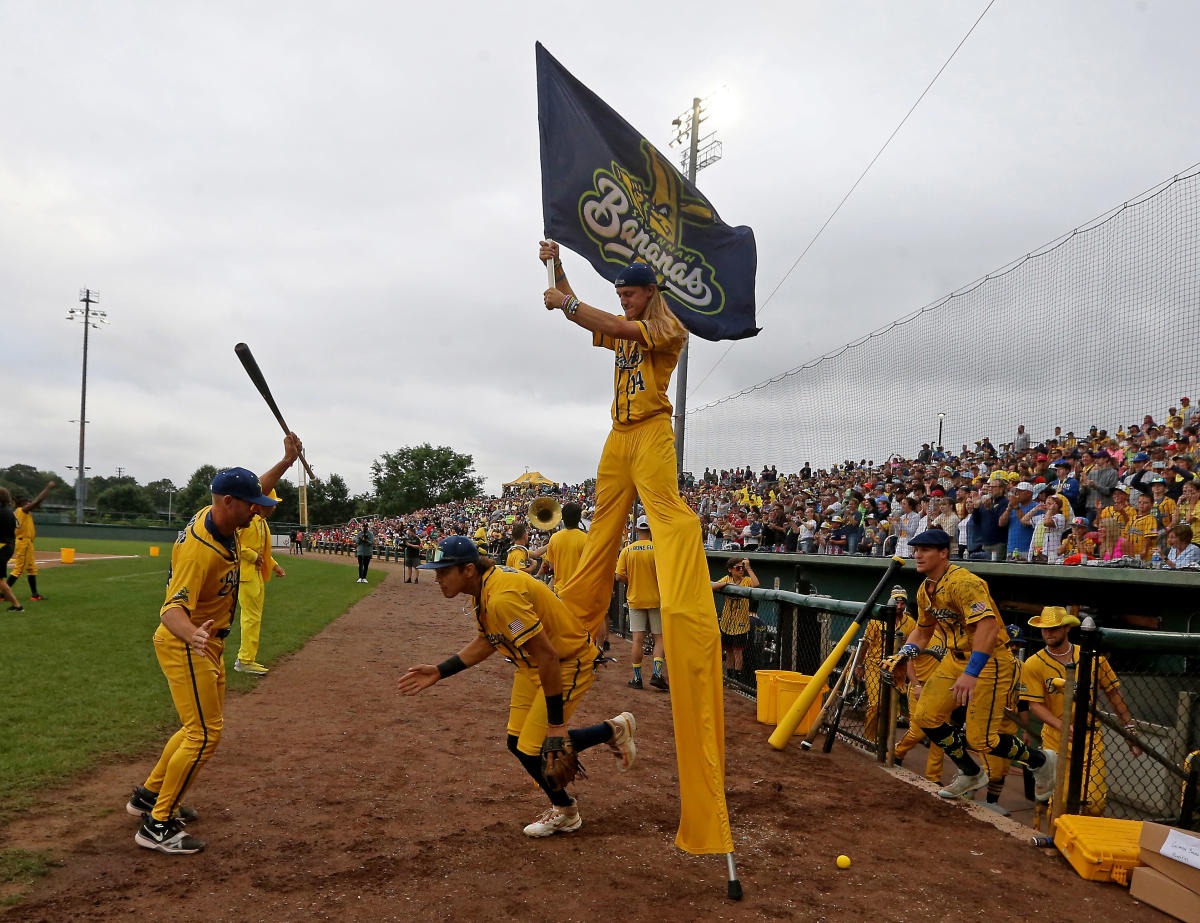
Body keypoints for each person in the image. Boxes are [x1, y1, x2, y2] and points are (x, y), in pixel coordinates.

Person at [538, 241, 732, 854]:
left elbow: (612, 323)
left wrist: (568, 304)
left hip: (649, 431)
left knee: (669, 514)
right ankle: (579, 617)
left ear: (650, 291)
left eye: (630, 290)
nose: (623, 297)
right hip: (617, 434)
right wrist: (555, 265)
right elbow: (603, 322)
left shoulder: (666, 321)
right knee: (601, 527)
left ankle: (683, 584)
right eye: (620, 290)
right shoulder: (626, 319)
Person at [128, 434, 301, 854]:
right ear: (228, 502)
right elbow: (171, 611)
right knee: (205, 735)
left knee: (196, 728)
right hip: (186, 642)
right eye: (250, 504)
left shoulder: (223, 515)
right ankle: (157, 823)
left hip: (207, 642)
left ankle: (149, 796)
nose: (257, 510)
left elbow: (253, 487)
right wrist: (195, 636)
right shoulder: (199, 551)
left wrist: (285, 460)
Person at [397, 536, 636, 838]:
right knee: (518, 744)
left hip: (566, 662)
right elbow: (488, 641)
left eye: (444, 572)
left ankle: (567, 810)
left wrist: (557, 725)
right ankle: (612, 732)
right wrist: (440, 671)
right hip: (532, 666)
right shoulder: (483, 589)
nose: (438, 579)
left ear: (468, 569)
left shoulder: (501, 598)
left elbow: (548, 655)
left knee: (537, 746)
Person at [892, 529, 1057, 801]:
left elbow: (988, 628)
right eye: (915, 549)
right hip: (953, 659)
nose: (917, 555)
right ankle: (970, 772)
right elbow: (923, 630)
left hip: (990, 661)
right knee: (925, 717)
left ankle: (1040, 760)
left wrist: (972, 672)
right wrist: (907, 652)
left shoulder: (964, 583)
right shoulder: (925, 589)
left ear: (943, 553)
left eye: (925, 550)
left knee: (981, 739)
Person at [1020, 606, 1142, 817]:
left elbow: (1113, 694)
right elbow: (1035, 704)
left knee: (1095, 805)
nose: (1048, 632)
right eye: (1044, 628)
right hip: (1055, 736)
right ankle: (1052, 843)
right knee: (1060, 802)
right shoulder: (1033, 664)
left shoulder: (1093, 658)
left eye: (1054, 628)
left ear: (1067, 628)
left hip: (1090, 736)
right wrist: (1060, 725)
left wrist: (1129, 728)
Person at [234, 490, 286, 676]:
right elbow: (236, 544)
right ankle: (245, 660)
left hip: (255, 575)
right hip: (246, 575)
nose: (274, 507)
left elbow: (264, 553)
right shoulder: (249, 521)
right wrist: (253, 556)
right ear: (263, 503)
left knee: (254, 617)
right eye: (272, 503)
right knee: (251, 617)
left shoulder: (262, 523)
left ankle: (247, 658)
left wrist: (275, 566)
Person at [859, 586, 916, 745]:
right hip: (874, 665)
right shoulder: (877, 619)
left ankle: (883, 741)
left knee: (891, 709)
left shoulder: (910, 622)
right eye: (896, 602)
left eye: (902, 603)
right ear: (891, 602)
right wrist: (859, 666)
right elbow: (865, 645)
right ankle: (868, 739)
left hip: (895, 667)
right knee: (876, 704)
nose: (899, 606)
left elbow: (914, 644)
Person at [616, 516, 666, 691]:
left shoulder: (628, 550)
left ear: (637, 530)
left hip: (635, 598)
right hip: (656, 599)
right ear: (650, 530)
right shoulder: (658, 549)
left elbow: (619, 576)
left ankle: (637, 679)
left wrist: (633, 581)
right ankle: (657, 674)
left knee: (637, 639)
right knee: (659, 638)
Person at [6, 480, 55, 602]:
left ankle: (35, 595)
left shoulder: (20, 512)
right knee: (19, 570)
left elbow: (36, 504)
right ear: (22, 504)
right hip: (23, 543)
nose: (29, 503)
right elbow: (37, 501)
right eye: (27, 501)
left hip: (27, 543)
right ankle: (3, 594)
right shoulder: (22, 511)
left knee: (32, 569)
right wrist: (48, 488)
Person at [713, 557, 759, 676]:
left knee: (737, 651)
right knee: (728, 650)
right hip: (727, 621)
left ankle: (737, 677)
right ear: (730, 570)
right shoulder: (727, 578)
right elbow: (711, 586)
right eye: (738, 568)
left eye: (742, 568)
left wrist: (748, 567)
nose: (740, 570)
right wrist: (725, 584)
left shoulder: (747, 580)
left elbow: (756, 584)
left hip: (741, 622)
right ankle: (730, 676)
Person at [528, 502, 587, 592]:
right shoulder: (587, 539)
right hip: (581, 590)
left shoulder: (554, 538)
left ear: (563, 518)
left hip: (560, 589)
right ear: (579, 518)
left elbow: (551, 567)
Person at [0, 489, 28, 612]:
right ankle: (16, 605)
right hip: (8, 545)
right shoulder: (9, 512)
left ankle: (17, 605)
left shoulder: (1, 512)